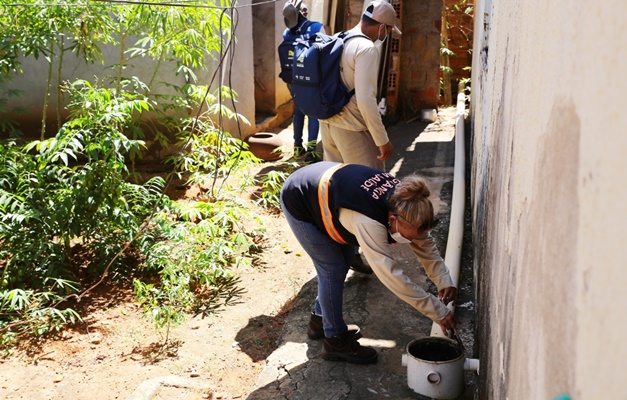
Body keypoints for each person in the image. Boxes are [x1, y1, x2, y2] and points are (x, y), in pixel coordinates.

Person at [280, 161, 457, 364]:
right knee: (332, 268)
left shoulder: (409, 203)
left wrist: (444, 280)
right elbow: (390, 275)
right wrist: (438, 312)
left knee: (346, 258)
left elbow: (424, 244)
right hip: (300, 197)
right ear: (392, 219)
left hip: (330, 190)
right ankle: (335, 340)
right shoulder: (369, 222)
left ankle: (320, 321)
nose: (408, 242)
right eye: (407, 236)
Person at [319, 0, 399, 170]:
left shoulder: (338, 38)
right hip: (352, 130)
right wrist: (382, 140)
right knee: (370, 186)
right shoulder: (366, 48)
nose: (386, 35)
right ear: (383, 27)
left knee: (335, 185)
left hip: (328, 125)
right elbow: (365, 100)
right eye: (389, 30)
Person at [282, 0, 325, 163]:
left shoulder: (287, 33)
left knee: (298, 111)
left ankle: (297, 146)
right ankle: (312, 150)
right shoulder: (317, 27)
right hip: (311, 78)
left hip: (292, 78)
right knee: (313, 113)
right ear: (303, 13)